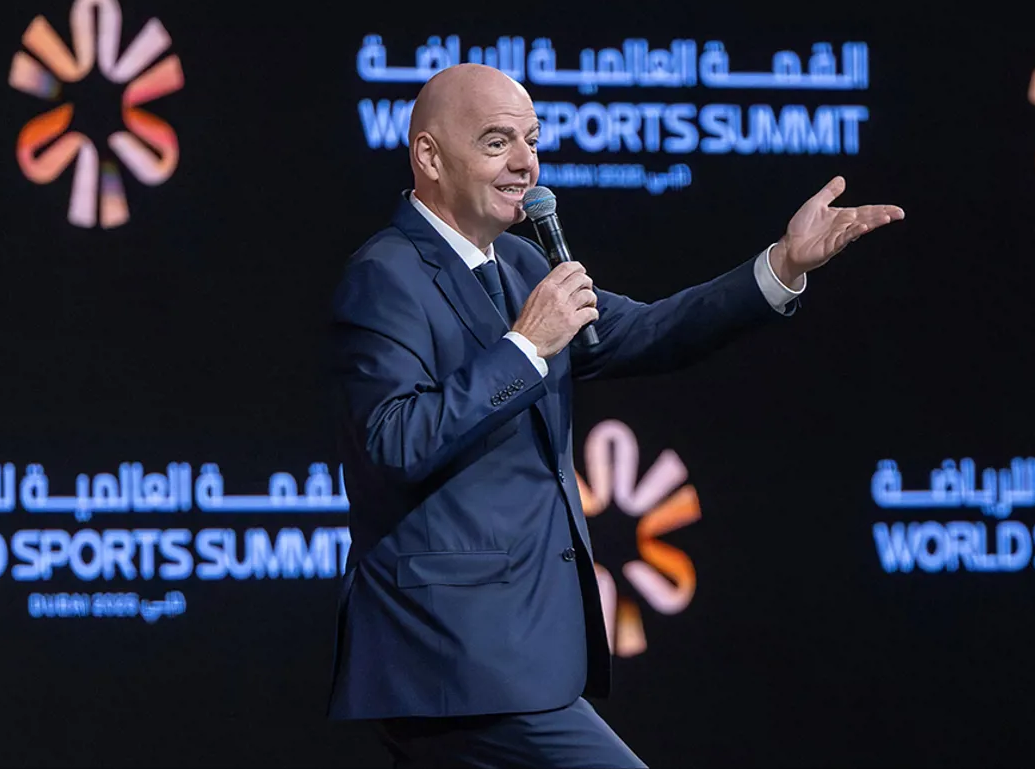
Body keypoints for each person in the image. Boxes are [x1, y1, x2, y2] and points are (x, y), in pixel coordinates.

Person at [324, 63, 904, 768]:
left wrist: (780, 266)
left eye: (532, 140)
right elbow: (392, 443)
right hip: (450, 660)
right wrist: (524, 348)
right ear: (430, 156)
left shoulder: (521, 264)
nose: (525, 162)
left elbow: (651, 330)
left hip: (511, 657)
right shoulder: (385, 275)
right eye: (498, 141)